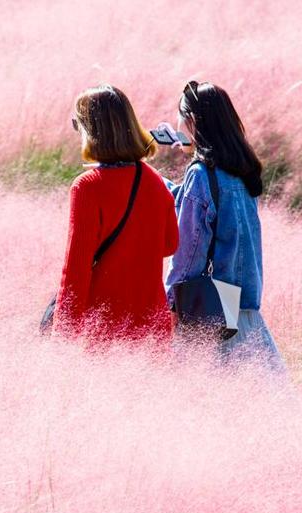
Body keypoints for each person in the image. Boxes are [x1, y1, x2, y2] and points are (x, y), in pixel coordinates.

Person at [165, 81, 285, 372]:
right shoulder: (241, 172)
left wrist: (171, 304)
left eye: (181, 114)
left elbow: (189, 252)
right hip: (245, 315)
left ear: (192, 119)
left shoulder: (200, 174)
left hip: (211, 315)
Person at [54, 85, 179, 342]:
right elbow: (170, 244)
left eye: (78, 125)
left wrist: (62, 339)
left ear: (91, 131)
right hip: (153, 329)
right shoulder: (155, 181)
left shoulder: (88, 186)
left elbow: (76, 272)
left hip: (105, 331)